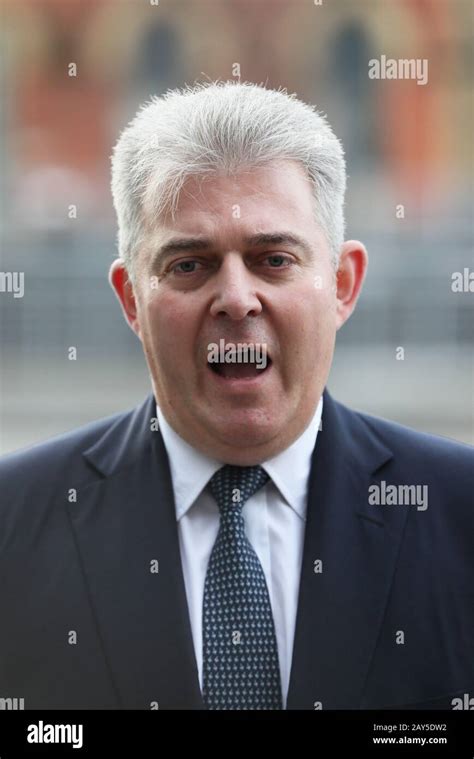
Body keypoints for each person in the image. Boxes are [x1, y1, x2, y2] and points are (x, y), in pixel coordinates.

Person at [0, 81, 472, 711]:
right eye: (188, 265)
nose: (237, 298)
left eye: (273, 259)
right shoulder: (14, 522)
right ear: (131, 299)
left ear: (341, 284)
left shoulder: (460, 515)